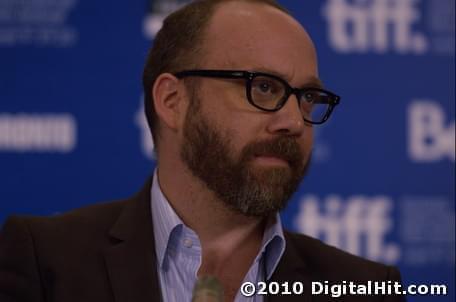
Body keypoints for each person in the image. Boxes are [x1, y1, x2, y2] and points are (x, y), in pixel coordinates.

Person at [0, 0, 405, 301]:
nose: (294, 122)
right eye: (263, 87)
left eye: (307, 97)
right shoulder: (44, 260)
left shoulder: (366, 288)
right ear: (173, 101)